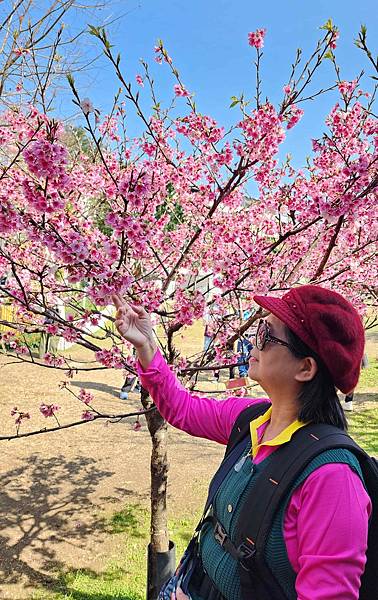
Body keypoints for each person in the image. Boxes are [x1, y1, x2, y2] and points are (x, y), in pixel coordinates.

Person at [113, 285, 372, 600]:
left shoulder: (332, 479)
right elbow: (181, 408)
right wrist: (147, 344)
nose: (253, 339)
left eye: (266, 333)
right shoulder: (253, 420)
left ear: (306, 368)